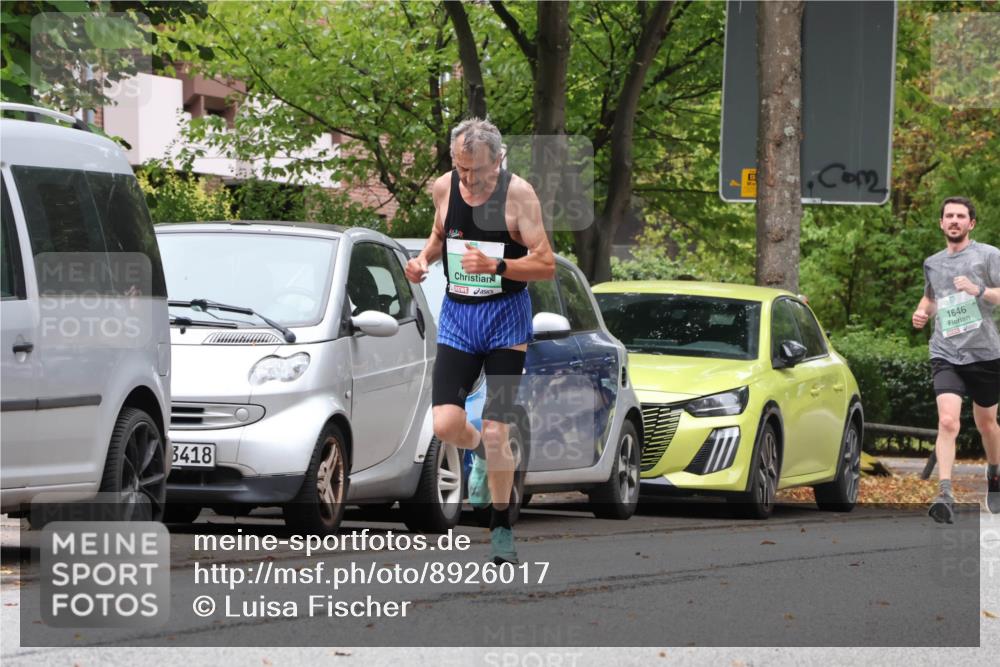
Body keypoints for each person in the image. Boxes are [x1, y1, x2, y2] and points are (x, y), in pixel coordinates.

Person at [405, 118, 555, 563]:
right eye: (461, 168)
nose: (468, 179)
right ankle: (481, 455)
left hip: (507, 323)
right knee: (445, 425)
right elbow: (439, 235)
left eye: (477, 170)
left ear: (499, 160)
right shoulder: (444, 187)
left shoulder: (519, 195)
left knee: (496, 428)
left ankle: (501, 526)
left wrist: (499, 267)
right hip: (458, 318)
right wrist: (422, 260)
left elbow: (545, 263)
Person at [912, 196, 1000, 523]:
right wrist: (922, 312)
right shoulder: (933, 263)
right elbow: (931, 298)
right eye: (949, 216)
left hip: (984, 353)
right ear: (941, 223)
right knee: (948, 421)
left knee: (986, 424)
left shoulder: (989, 255)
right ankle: (945, 493)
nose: (954, 220)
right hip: (946, 351)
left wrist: (979, 290)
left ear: (971, 223)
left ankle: (994, 473)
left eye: (961, 216)